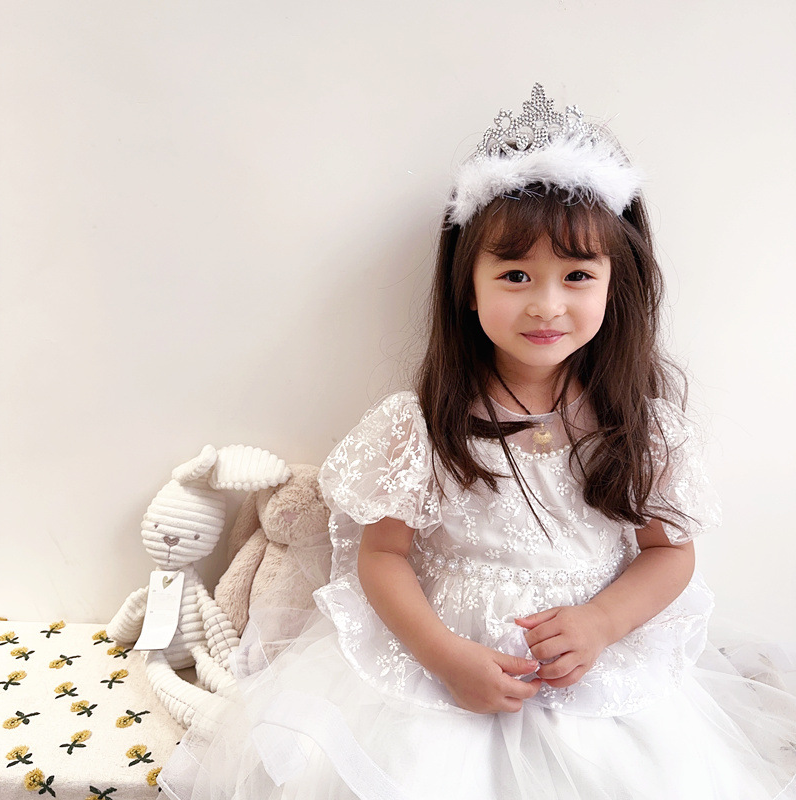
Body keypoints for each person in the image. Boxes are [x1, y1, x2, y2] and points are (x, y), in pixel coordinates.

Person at [159, 84, 796, 799]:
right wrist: (444, 656)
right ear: (468, 285)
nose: (547, 304)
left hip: (591, 675)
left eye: (577, 276)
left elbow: (669, 552)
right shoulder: (423, 424)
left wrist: (600, 622)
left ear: (613, 285)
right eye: (515, 275)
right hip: (440, 669)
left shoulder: (639, 428)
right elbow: (383, 555)